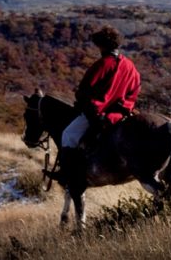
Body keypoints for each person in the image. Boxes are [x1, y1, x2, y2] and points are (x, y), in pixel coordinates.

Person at [56, 25, 140, 185]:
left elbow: (84, 90)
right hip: (122, 113)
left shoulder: (102, 64)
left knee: (68, 135)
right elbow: (135, 89)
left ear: (101, 45)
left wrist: (83, 105)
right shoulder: (130, 65)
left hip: (100, 113)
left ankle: (68, 175)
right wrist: (125, 106)